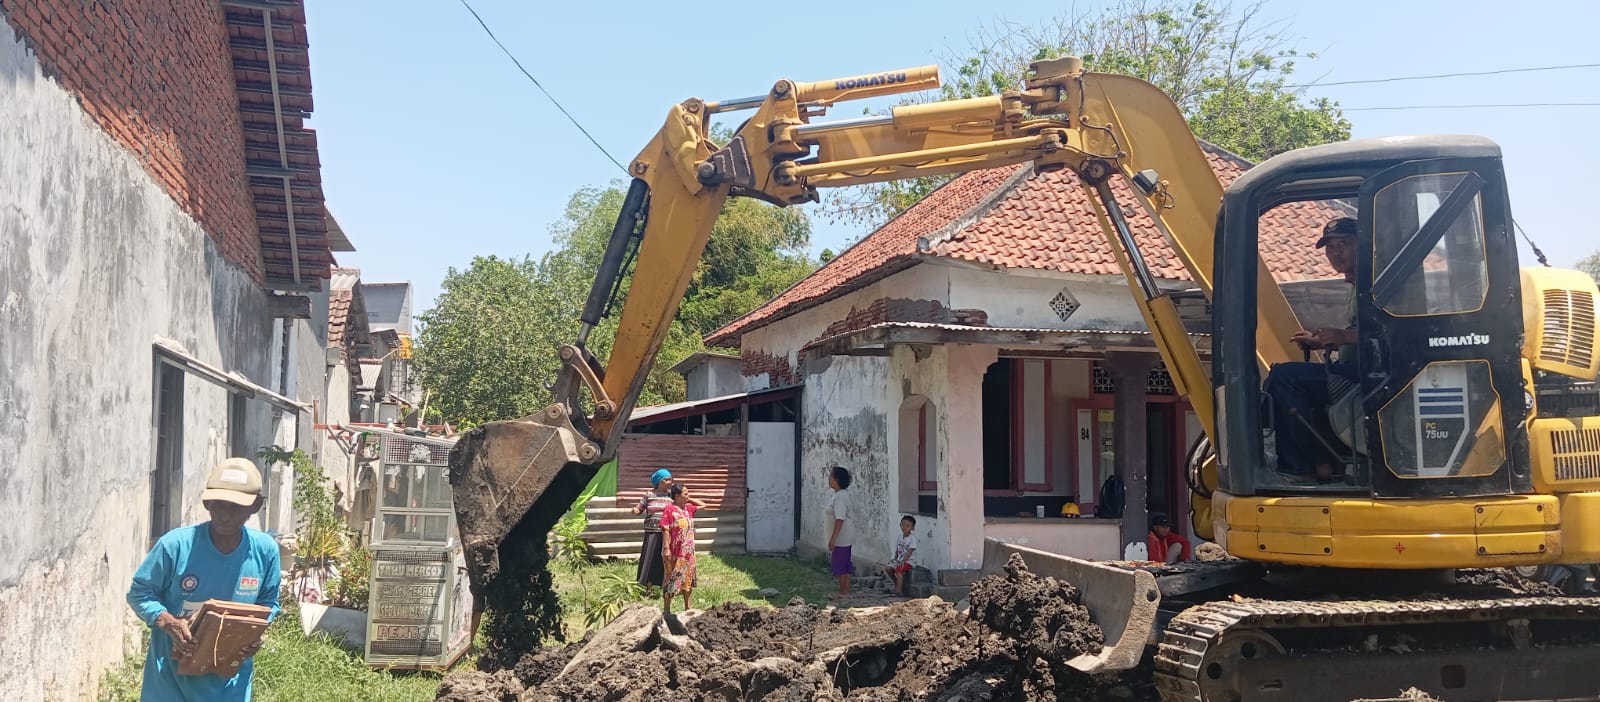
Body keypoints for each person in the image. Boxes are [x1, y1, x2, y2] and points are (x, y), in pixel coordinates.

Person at [127, 457, 282, 701]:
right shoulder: (176, 545)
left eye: (235, 507)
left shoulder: (265, 550)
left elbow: (268, 603)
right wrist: (168, 622)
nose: (224, 515)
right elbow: (139, 593)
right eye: (218, 504)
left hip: (229, 682)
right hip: (170, 679)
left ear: (255, 506)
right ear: (207, 502)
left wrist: (253, 634)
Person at [1263, 216, 1360, 481]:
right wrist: (1323, 340)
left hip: (1368, 376)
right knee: (1282, 381)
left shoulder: (1377, 283)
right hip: (1352, 370)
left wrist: (1342, 336)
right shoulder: (1355, 284)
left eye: (1344, 244)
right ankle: (1322, 459)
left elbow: (1390, 331)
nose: (1336, 252)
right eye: (1330, 247)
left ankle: (1303, 467)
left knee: (1285, 378)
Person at [632, 468, 675, 595]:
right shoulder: (648, 495)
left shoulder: (671, 495)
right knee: (650, 560)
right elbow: (639, 509)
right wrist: (634, 510)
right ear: (658, 482)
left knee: (665, 560)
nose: (669, 482)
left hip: (667, 533)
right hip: (651, 534)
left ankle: (667, 588)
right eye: (666, 479)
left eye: (670, 479)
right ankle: (648, 588)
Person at [659, 483, 700, 613]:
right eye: (685, 494)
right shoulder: (670, 510)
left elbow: (704, 505)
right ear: (676, 496)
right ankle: (667, 610)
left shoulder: (689, 509)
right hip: (675, 552)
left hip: (688, 553)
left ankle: (688, 608)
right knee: (671, 579)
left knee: (688, 579)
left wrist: (688, 498)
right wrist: (666, 548)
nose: (688, 496)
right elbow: (665, 529)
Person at [824, 466, 855, 600]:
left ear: (836, 479)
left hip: (841, 536)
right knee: (844, 563)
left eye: (831, 476)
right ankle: (845, 590)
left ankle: (843, 592)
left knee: (840, 564)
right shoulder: (839, 495)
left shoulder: (840, 497)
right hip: (843, 535)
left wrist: (833, 539)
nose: (829, 479)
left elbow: (839, 519)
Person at [881, 515, 918, 596]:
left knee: (898, 570)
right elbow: (898, 549)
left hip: (909, 561)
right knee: (888, 568)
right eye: (903, 524)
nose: (905, 527)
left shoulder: (912, 539)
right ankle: (896, 583)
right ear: (900, 525)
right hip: (899, 560)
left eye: (908, 526)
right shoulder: (900, 537)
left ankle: (899, 590)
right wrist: (895, 558)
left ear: (912, 528)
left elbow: (909, 552)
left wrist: (903, 561)